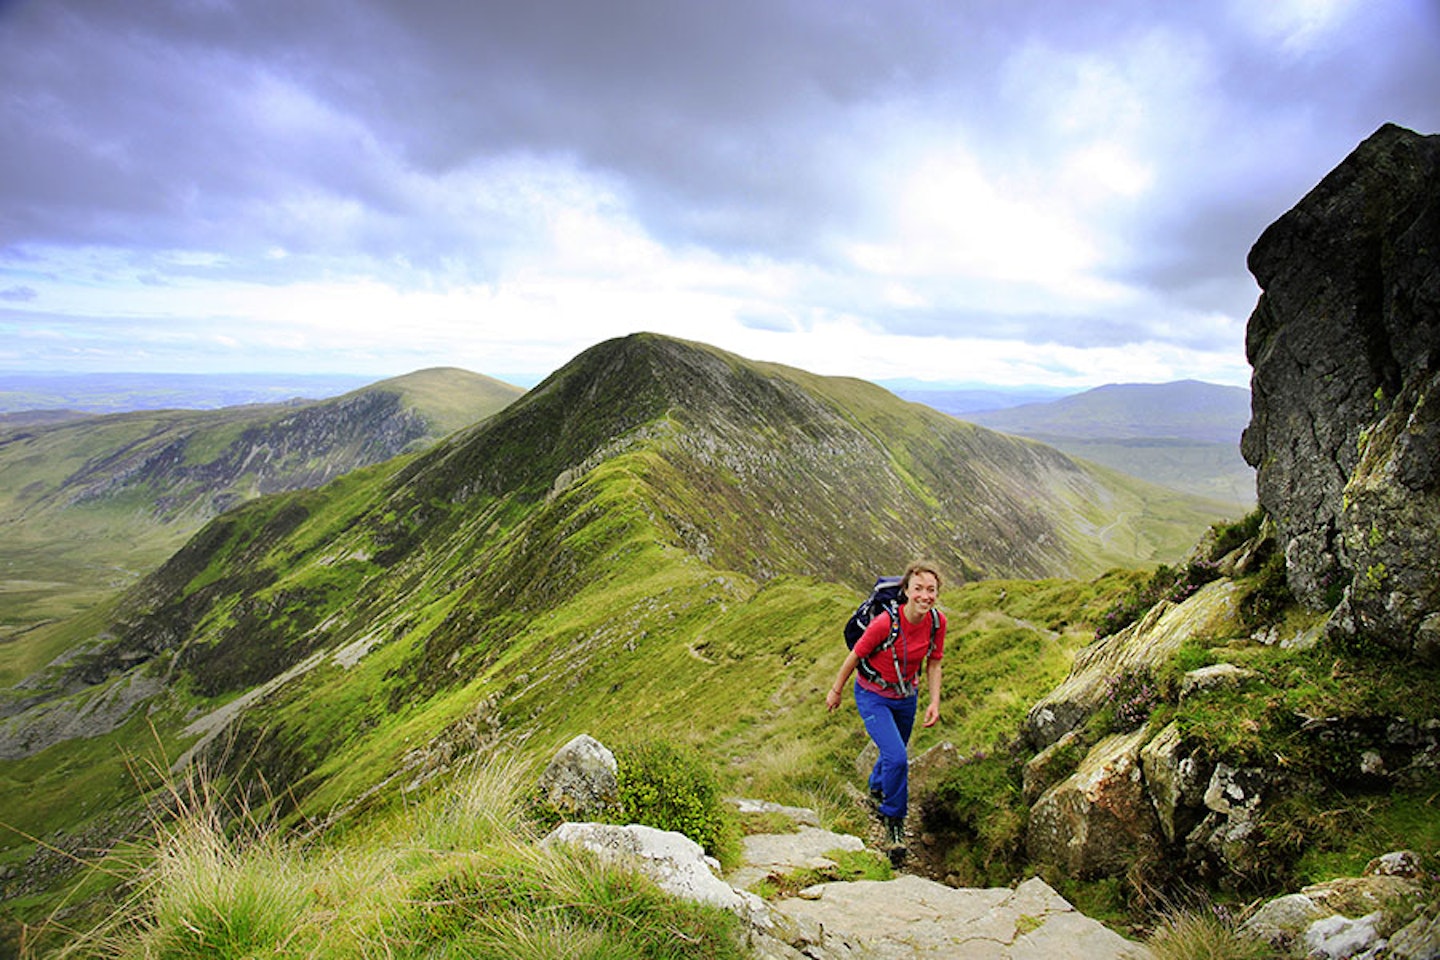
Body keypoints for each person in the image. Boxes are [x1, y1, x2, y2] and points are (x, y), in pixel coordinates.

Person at [825, 561, 946, 850]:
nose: (925, 596)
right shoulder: (885, 623)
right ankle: (893, 821)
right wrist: (836, 690)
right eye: (918, 589)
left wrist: (934, 701)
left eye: (931, 590)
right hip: (873, 696)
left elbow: (935, 661)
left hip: (906, 697)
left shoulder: (937, 622)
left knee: (894, 753)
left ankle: (877, 787)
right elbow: (854, 656)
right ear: (905, 590)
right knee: (898, 758)